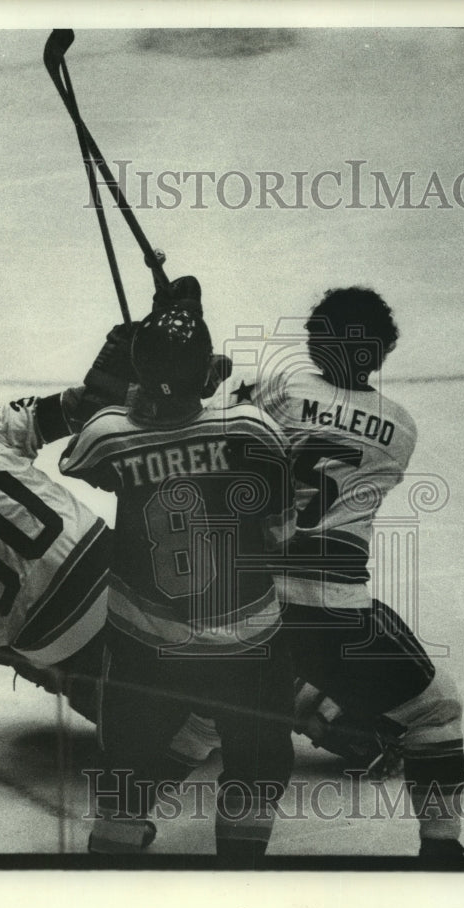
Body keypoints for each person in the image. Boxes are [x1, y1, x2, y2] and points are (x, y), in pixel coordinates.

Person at [0, 324, 229, 777]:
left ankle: (155, 719)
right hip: (116, 574)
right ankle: (282, 685)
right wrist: (135, 356)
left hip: (59, 639)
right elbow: (85, 408)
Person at [59, 279, 297, 862]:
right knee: (255, 769)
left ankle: (109, 874)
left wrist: (130, 356)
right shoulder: (250, 429)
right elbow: (282, 525)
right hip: (246, 645)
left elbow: (89, 443)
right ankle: (239, 882)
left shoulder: (109, 437)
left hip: (149, 647)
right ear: (209, 372)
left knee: (124, 780)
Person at [249, 286, 464, 864]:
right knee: (435, 710)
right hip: (331, 605)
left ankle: (126, 825)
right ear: (380, 351)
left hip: (246, 597)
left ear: (317, 342)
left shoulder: (279, 391)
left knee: (222, 716)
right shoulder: (400, 427)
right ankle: (442, 852)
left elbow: (215, 445)